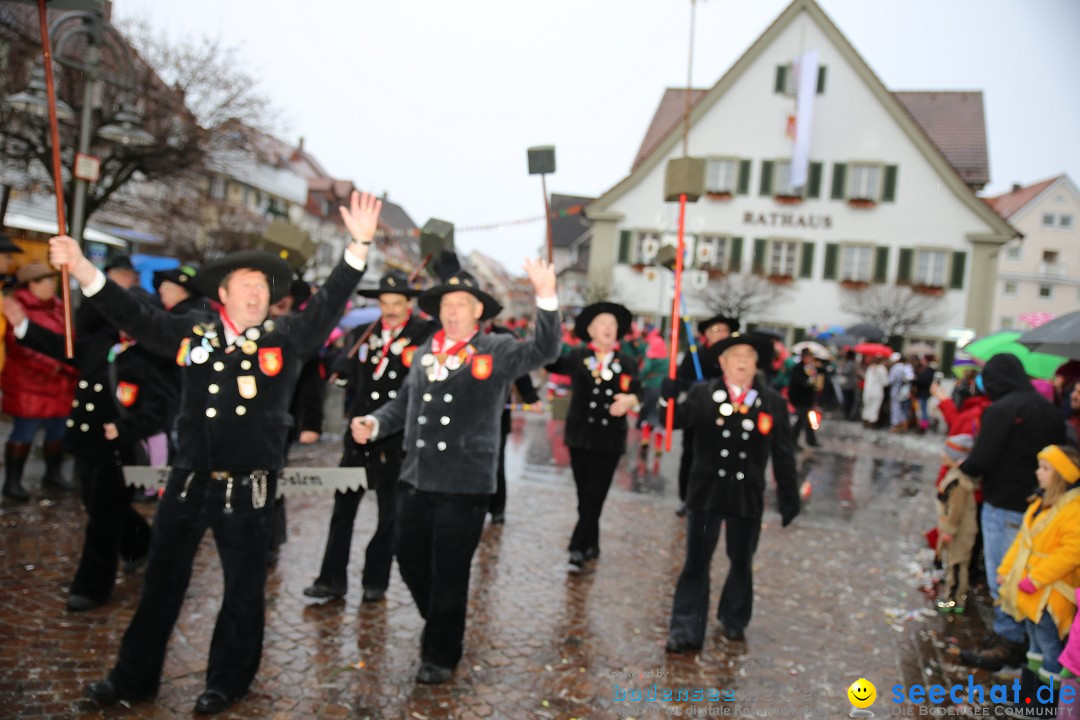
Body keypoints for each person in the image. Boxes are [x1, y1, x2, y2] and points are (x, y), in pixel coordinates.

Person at [51, 190, 380, 715]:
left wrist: (358, 247)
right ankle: (133, 678)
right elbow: (136, 316)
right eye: (245, 286)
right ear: (222, 292)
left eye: (263, 289)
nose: (255, 296)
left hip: (249, 488)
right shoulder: (191, 333)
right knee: (161, 584)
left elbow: (327, 306)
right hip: (187, 482)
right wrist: (84, 271)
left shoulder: (286, 338)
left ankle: (227, 682)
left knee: (245, 591)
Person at [351, 260, 559, 685]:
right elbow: (403, 404)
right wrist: (374, 423)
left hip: (465, 484)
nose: (452, 311)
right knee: (407, 556)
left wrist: (547, 297)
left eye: (461, 303)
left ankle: (441, 653)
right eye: (446, 303)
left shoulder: (496, 351)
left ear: (478, 312)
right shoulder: (426, 352)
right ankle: (443, 617)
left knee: (450, 570)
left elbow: (544, 351)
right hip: (417, 477)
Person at [3, 293, 175, 611]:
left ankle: (92, 587)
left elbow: (163, 409)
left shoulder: (154, 356)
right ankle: (141, 543)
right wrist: (23, 324)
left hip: (120, 452)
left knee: (102, 522)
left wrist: (125, 429)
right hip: (86, 444)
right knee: (96, 506)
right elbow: (62, 349)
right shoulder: (101, 343)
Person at [661, 332, 799, 651]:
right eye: (734, 356)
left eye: (748, 356)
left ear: (757, 364)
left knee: (741, 561)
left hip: (746, 496)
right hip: (707, 495)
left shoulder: (773, 403)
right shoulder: (702, 394)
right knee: (697, 562)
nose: (741, 362)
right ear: (722, 362)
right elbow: (673, 421)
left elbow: (784, 454)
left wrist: (789, 498)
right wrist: (665, 398)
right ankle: (685, 629)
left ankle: (734, 618)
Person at [304, 270, 434, 601]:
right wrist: (341, 368)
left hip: (396, 437)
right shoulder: (363, 333)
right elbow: (344, 369)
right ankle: (330, 578)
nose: (390, 310)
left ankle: (375, 580)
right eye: (385, 303)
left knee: (390, 514)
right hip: (359, 435)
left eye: (397, 303)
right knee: (342, 509)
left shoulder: (422, 335)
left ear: (409, 304)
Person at [958, 354, 1066, 672]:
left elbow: (982, 458)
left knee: (1004, 577)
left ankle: (1008, 641)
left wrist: (963, 465)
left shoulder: (1001, 409)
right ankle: (1013, 639)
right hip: (1039, 507)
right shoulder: (1048, 409)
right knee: (1024, 573)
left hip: (1003, 502)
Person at [546, 302, 642, 569]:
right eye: (602, 323)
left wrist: (632, 398)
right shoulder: (577, 357)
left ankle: (577, 546)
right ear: (589, 329)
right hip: (580, 435)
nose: (608, 328)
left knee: (596, 493)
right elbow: (552, 363)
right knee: (584, 493)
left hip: (610, 438)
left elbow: (639, 391)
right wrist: (549, 329)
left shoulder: (627, 362)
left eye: (612, 324)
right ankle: (592, 541)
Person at [997, 444, 1080, 689]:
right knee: (1034, 643)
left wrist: (1037, 578)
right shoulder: (1039, 505)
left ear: (1061, 476)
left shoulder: (1073, 510)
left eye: (1045, 468)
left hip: (1049, 591)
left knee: (1049, 646)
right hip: (1029, 589)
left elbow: (1072, 552)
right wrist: (1006, 570)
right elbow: (1021, 542)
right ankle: (1031, 693)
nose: (1037, 472)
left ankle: (1047, 702)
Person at [2, 261, 78, 500]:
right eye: (47, 281)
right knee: (25, 431)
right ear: (31, 284)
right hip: (30, 383)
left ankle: (53, 473)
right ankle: (13, 481)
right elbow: (19, 345)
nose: (52, 285)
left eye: (53, 281)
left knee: (58, 431)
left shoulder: (57, 307)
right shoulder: (17, 307)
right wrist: (55, 365)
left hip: (60, 383)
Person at [674, 314, 738, 516]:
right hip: (698, 416)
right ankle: (686, 498)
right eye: (716, 330)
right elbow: (681, 380)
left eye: (725, 331)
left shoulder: (734, 357)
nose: (721, 335)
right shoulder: (695, 356)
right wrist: (698, 388)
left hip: (727, 417)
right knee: (690, 457)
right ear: (706, 334)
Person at [486, 318, 541, 525]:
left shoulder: (504, 338)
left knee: (496, 462)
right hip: (463, 416)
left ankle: (497, 508)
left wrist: (531, 397)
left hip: (497, 414)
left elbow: (519, 370)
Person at [935, 434, 978, 614]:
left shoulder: (959, 482)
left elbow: (956, 510)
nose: (943, 455)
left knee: (958, 564)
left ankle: (955, 600)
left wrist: (949, 530)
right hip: (956, 530)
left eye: (947, 453)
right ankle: (953, 596)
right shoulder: (954, 476)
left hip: (960, 531)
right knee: (953, 563)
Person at [637, 329, 670, 469]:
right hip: (663, 387)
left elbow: (646, 369)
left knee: (647, 412)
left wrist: (642, 377)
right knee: (660, 415)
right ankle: (658, 445)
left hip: (650, 387)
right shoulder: (667, 355)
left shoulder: (651, 354)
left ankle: (645, 438)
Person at [789, 348, 821, 449]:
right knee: (800, 422)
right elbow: (798, 383)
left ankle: (811, 440)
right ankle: (793, 442)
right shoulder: (798, 368)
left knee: (808, 421)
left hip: (808, 400)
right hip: (800, 400)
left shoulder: (810, 369)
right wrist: (808, 381)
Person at [888, 353, 914, 432]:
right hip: (904, 392)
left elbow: (890, 380)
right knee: (903, 409)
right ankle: (902, 426)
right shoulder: (906, 367)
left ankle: (896, 425)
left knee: (895, 408)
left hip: (896, 391)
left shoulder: (895, 368)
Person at [861, 356, 888, 428]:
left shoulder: (870, 368)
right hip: (877, 391)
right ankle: (871, 423)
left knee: (867, 407)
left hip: (868, 391)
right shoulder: (882, 369)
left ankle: (866, 422)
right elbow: (885, 382)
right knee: (875, 408)